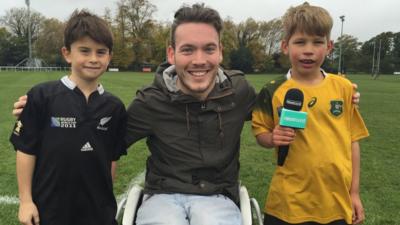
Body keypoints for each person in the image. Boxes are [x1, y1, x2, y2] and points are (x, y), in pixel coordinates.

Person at [251, 2, 369, 225]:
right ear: (285, 46)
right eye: (300, 42)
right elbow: (260, 133)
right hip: (287, 202)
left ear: (329, 46)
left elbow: (353, 141)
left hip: (335, 202)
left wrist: (354, 193)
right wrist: (272, 137)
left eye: (317, 42)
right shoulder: (272, 90)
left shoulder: (344, 88)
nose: (309, 50)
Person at [9, 10, 126, 225]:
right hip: (50, 209)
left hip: (97, 212)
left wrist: (105, 199)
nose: (93, 58)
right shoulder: (41, 96)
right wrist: (26, 201)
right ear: (67, 53)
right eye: (84, 50)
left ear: (109, 56)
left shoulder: (115, 107)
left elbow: (111, 159)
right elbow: (25, 150)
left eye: (101, 52)